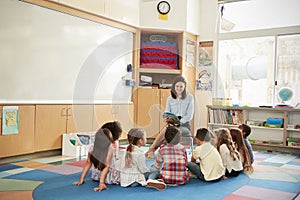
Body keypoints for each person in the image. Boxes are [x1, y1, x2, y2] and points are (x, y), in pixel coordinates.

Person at [146, 75, 194, 158]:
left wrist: (179, 122)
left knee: (166, 132)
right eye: (177, 86)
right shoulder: (170, 99)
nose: (179, 88)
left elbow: (189, 115)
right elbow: (167, 112)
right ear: (174, 87)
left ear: (185, 87)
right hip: (171, 124)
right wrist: (166, 118)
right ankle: (155, 150)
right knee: (167, 131)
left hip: (184, 126)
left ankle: (152, 149)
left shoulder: (190, 98)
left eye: (181, 87)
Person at [73, 121, 122, 191]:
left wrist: (81, 179)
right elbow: (106, 166)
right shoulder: (110, 148)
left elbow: (88, 163)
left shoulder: (92, 148)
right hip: (109, 177)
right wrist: (101, 183)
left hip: (96, 176)